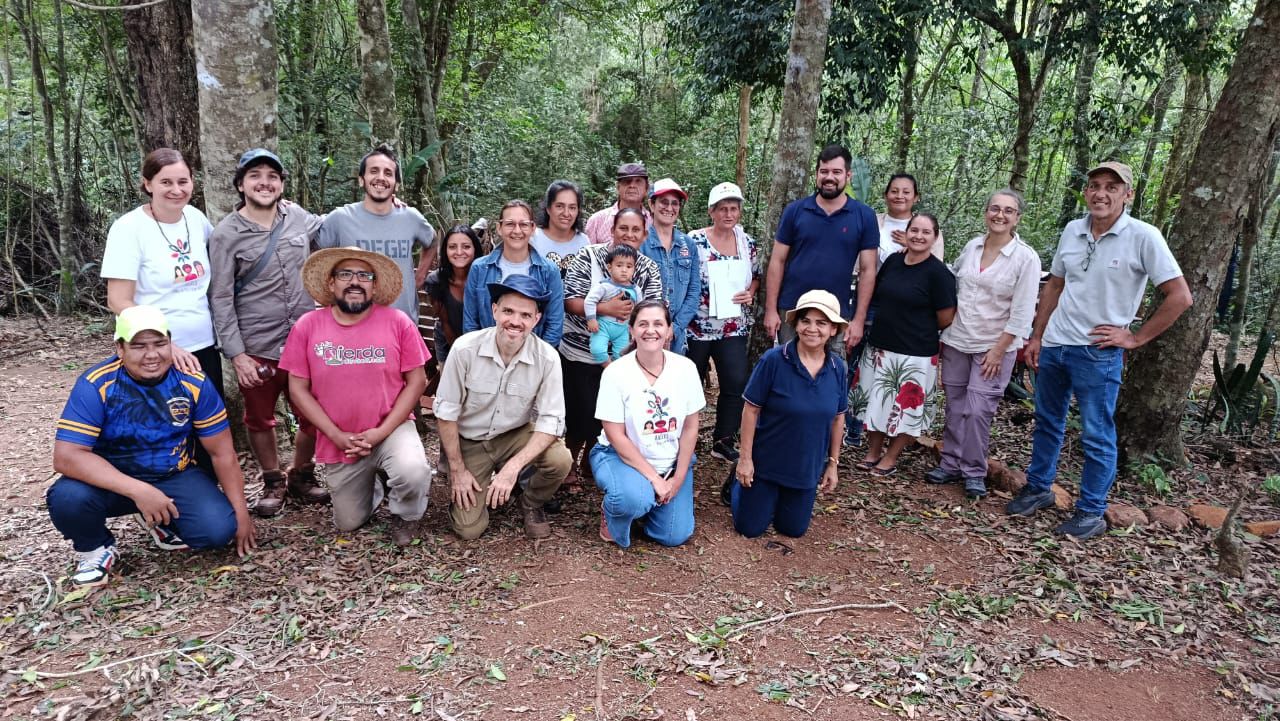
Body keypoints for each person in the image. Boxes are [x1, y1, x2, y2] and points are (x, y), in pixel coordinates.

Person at [1006, 162, 1192, 539]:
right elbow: (1055, 285)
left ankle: (1091, 511)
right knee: (1048, 421)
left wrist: (1134, 337)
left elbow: (1180, 296)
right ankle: (1038, 488)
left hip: (1097, 352)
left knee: (1096, 433)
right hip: (1056, 344)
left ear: (1128, 194)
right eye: (1094, 185)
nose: (1100, 193)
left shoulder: (1144, 236)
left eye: (1111, 187)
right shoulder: (1073, 230)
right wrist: (1037, 335)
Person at [47, 306, 255, 589]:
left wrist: (241, 512)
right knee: (67, 498)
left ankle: (162, 522)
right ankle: (95, 548)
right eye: (139, 346)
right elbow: (67, 456)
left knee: (217, 531)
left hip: (172, 473)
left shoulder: (193, 381)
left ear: (171, 343)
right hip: (111, 479)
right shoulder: (96, 384)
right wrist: (139, 490)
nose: (152, 354)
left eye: (159, 344)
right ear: (120, 349)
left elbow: (222, 453)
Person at [279, 247, 432, 546]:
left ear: (374, 285)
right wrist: (335, 434)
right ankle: (375, 483)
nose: (354, 281)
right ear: (331, 283)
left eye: (364, 275)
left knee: (412, 471)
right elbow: (298, 389)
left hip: (391, 428)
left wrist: (381, 432)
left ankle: (406, 515)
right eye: (345, 274)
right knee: (349, 523)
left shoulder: (397, 321)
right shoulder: (307, 326)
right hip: (340, 438)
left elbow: (417, 381)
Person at [207, 147, 329, 516]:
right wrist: (237, 355)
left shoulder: (298, 218)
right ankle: (272, 479)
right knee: (259, 417)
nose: (265, 183)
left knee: (313, 413)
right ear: (240, 185)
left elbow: (333, 229)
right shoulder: (225, 235)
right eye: (255, 176)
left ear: (281, 184)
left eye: (272, 176)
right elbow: (220, 297)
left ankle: (302, 473)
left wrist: (386, 204)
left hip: (303, 341)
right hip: (256, 344)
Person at [101, 148, 221, 471]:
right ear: (147, 184)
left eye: (183, 181)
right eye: (166, 182)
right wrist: (168, 346)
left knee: (206, 433)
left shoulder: (196, 219)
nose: (176, 189)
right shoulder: (129, 228)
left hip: (203, 347)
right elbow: (118, 300)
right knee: (162, 434)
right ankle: (156, 497)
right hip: (153, 352)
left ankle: (205, 496)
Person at [434, 275, 572, 540]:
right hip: (471, 440)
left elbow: (551, 421)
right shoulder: (465, 349)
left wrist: (512, 469)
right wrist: (457, 469)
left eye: (525, 315)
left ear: (536, 319)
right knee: (469, 530)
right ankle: (475, 484)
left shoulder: (547, 358)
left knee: (560, 460)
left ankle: (531, 501)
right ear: (494, 310)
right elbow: (446, 413)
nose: (515, 322)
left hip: (515, 434)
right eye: (508, 311)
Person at [930, 189, 1041, 498]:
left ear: (1017, 218)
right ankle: (950, 462)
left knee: (978, 411)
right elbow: (952, 282)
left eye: (1008, 211)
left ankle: (974, 470)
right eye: (995, 208)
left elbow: (1022, 312)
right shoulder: (972, 247)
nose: (1000, 215)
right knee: (955, 406)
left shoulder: (1025, 258)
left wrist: (998, 350)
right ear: (986, 212)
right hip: (957, 339)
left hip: (993, 347)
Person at [560, 208, 665, 488]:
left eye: (636, 230)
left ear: (645, 235)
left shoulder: (648, 267)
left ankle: (592, 461)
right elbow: (569, 299)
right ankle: (568, 462)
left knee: (610, 412)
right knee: (578, 409)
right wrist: (605, 309)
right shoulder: (589, 256)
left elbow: (653, 306)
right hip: (580, 349)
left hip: (622, 353)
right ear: (612, 230)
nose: (629, 235)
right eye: (623, 228)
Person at [731, 290, 847, 538]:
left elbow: (838, 418)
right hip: (765, 464)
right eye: (805, 321)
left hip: (806, 469)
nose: (812, 329)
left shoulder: (838, 368)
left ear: (833, 329)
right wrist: (745, 459)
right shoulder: (774, 360)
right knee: (749, 529)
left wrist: (833, 464)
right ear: (796, 325)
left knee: (792, 529)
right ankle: (738, 482)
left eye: (821, 323)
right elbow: (751, 409)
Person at [591, 300, 704, 547]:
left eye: (658, 324)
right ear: (631, 330)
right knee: (633, 499)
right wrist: (655, 479)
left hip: (669, 460)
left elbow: (690, 427)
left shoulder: (686, 368)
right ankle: (619, 508)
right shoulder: (616, 373)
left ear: (669, 330)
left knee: (673, 535)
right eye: (643, 324)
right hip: (620, 457)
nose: (650, 330)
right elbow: (615, 434)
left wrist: (677, 478)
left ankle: (647, 502)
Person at [852, 213, 957, 476]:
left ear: (935, 237)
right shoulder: (893, 261)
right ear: (907, 232)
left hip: (915, 352)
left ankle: (891, 457)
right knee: (875, 400)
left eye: (926, 232)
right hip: (881, 345)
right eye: (914, 230)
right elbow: (878, 294)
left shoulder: (939, 274)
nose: (918, 236)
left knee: (907, 408)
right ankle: (873, 451)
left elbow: (945, 317)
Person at [845, 173, 944, 446]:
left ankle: (890, 429)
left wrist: (908, 244)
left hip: (906, 310)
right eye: (894, 190)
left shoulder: (925, 229)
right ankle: (853, 427)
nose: (900, 196)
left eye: (906, 191)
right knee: (859, 364)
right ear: (886, 194)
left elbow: (933, 269)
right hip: (868, 299)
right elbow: (858, 261)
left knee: (893, 370)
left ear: (916, 197)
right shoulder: (872, 221)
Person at [764, 144, 878, 351]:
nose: (829, 177)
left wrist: (858, 320)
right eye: (824, 171)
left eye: (836, 172)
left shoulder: (864, 216)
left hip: (836, 313)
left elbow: (868, 269)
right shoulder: (795, 211)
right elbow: (777, 260)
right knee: (790, 366)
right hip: (793, 310)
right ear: (816, 174)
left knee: (832, 368)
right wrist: (771, 310)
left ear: (848, 175)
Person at [316, 146, 437, 324]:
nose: (381, 177)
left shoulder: (411, 217)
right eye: (374, 171)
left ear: (396, 184)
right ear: (361, 180)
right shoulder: (340, 218)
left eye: (388, 173)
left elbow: (432, 241)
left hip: (403, 325)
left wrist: (418, 278)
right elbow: (313, 252)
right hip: (352, 325)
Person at [686, 182, 761, 465]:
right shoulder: (694, 241)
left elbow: (756, 276)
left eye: (733, 209)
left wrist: (750, 292)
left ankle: (723, 440)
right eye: (722, 209)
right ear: (711, 211)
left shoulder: (746, 243)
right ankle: (684, 438)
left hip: (732, 327)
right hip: (696, 326)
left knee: (735, 381)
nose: (728, 214)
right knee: (689, 383)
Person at [462, 200, 565, 346]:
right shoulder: (480, 268)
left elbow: (554, 325)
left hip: (533, 355)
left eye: (523, 224)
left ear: (532, 228)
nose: (517, 231)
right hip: (485, 353)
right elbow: (470, 323)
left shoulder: (549, 271)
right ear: (499, 228)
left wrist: (537, 357)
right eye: (510, 224)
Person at [640, 178, 701, 354]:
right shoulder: (640, 242)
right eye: (664, 202)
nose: (669, 208)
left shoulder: (688, 244)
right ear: (652, 205)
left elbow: (694, 291)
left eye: (675, 203)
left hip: (677, 336)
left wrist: (675, 327)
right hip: (645, 333)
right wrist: (653, 327)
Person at [424, 225, 482, 369]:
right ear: (445, 250)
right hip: (448, 342)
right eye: (452, 247)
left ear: (475, 249)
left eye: (466, 246)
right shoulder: (436, 280)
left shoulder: (485, 277)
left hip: (481, 345)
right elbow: (445, 323)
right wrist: (459, 356)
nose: (459, 252)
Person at [585, 245, 641, 363]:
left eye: (629, 266)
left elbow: (640, 310)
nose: (624, 270)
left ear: (634, 269)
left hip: (623, 329)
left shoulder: (636, 290)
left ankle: (616, 371)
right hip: (602, 326)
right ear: (610, 268)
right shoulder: (604, 286)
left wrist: (636, 327)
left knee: (622, 356)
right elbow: (589, 301)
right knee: (597, 350)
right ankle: (608, 367)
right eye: (619, 265)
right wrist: (591, 319)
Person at [584, 162, 653, 245]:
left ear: (647, 188)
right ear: (618, 187)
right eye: (627, 181)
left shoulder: (652, 222)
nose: (632, 186)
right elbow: (587, 251)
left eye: (638, 181)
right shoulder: (597, 220)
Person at [532, 180, 592, 274]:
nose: (566, 213)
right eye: (559, 206)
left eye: (572, 208)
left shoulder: (584, 242)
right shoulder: (533, 239)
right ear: (548, 208)